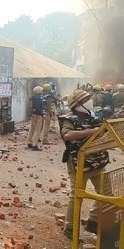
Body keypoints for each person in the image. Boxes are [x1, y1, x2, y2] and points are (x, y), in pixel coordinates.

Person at [58, 89, 110, 239]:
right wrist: (93, 131)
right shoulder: (68, 119)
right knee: (76, 196)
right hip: (79, 163)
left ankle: (93, 221)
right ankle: (70, 227)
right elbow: (67, 135)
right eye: (87, 99)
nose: (90, 101)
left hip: (99, 161)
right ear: (79, 104)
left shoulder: (95, 116)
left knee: (106, 193)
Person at [26, 86, 45, 151]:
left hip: (33, 115)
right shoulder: (39, 99)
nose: (42, 92)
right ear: (39, 92)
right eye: (41, 91)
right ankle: (35, 145)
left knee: (32, 129)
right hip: (38, 115)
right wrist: (42, 114)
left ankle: (29, 143)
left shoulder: (32, 98)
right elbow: (40, 108)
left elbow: (31, 107)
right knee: (37, 130)